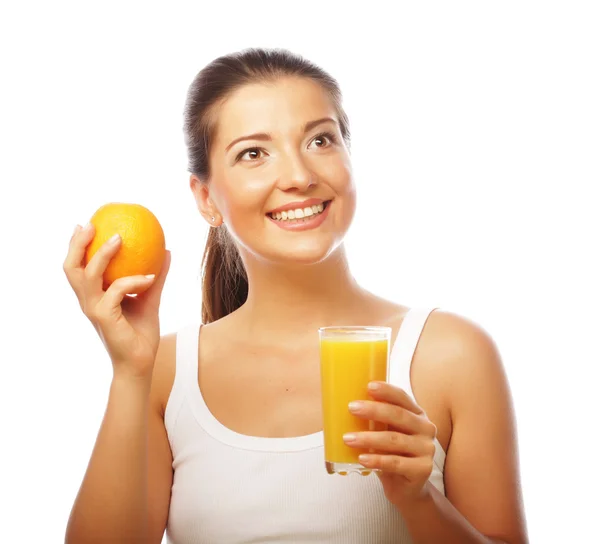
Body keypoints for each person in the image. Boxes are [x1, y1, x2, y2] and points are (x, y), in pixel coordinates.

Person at [63, 48, 528, 543]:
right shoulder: (166, 371)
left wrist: (419, 500)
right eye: (254, 153)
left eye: (320, 139)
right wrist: (130, 373)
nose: (300, 176)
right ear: (205, 199)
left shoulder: (452, 355)